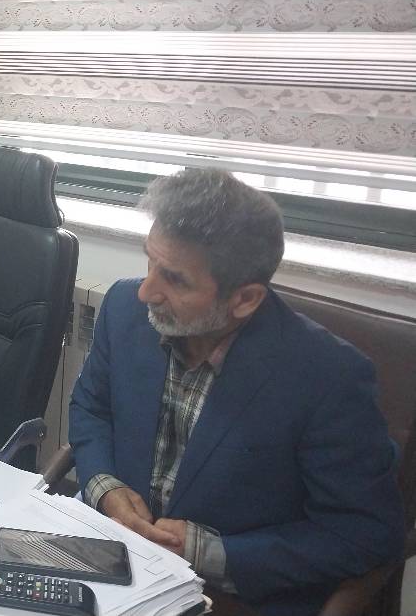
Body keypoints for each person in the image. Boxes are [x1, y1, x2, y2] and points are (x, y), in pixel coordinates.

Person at [69, 168, 404, 616]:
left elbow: (365, 534)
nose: (147, 291)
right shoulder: (124, 309)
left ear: (245, 299)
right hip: (117, 557)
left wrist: (211, 552)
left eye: (175, 279)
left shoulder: (330, 377)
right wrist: (104, 486)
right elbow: (91, 407)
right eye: (150, 261)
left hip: (233, 594)